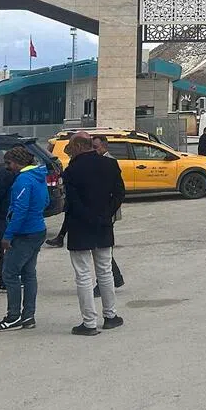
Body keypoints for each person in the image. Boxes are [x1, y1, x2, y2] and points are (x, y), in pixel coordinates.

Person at [62, 134, 125, 336]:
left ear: (79, 146)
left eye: (71, 146)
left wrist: (88, 217)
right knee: (105, 271)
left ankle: (89, 323)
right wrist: (105, 214)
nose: (69, 150)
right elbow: (119, 193)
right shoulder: (109, 164)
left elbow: (72, 202)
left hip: (80, 226)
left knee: (83, 275)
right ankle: (111, 316)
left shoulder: (72, 170)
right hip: (104, 224)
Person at [0, 146, 48, 333]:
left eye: (9, 163)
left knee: (10, 273)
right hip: (38, 229)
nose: (8, 167)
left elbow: (20, 210)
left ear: (17, 162)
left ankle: (13, 316)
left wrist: (8, 235)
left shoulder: (23, 180)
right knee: (29, 273)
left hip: (24, 232)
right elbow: (46, 201)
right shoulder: (39, 176)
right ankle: (28, 315)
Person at [89, 133, 124, 291]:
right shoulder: (97, 161)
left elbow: (118, 191)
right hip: (103, 212)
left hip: (107, 212)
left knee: (102, 249)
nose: (93, 150)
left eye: (95, 147)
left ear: (104, 146)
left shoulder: (109, 162)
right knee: (103, 248)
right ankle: (116, 277)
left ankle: (105, 281)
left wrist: (108, 212)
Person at [0, 161, 15, 292]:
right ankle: (9, 279)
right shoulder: (26, 176)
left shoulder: (4, 174)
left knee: (5, 250)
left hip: (4, 215)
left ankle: (4, 281)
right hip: (12, 215)